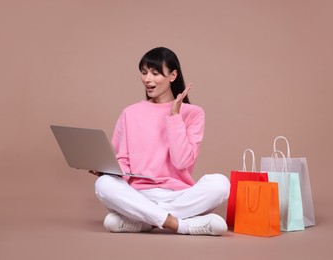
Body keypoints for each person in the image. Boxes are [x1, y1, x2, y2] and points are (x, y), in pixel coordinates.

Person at [91, 47, 230, 236]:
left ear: (172, 76)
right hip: (138, 194)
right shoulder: (130, 113)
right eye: (144, 72)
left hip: (178, 195)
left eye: (155, 73)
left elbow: (182, 162)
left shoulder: (193, 113)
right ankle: (179, 225)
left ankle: (144, 221)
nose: (147, 79)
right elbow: (122, 161)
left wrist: (174, 116)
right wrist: (107, 169)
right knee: (104, 184)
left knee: (221, 184)